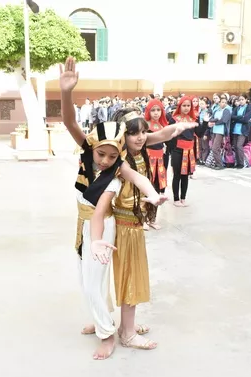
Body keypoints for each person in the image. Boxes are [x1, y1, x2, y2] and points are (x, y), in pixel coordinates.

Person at [59, 57, 190, 360]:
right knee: (89, 281)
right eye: (100, 153)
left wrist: (154, 196)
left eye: (111, 154)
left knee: (101, 280)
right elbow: (70, 123)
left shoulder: (120, 163)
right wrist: (66, 93)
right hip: (89, 223)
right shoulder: (95, 151)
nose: (105, 159)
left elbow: (140, 175)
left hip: (111, 224)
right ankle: (104, 321)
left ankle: (113, 332)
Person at [91, 108, 161, 354]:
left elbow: (161, 136)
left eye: (144, 132)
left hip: (133, 225)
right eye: (133, 133)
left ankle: (126, 326)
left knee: (132, 276)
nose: (140, 137)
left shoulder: (137, 156)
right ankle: (128, 334)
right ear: (123, 136)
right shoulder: (120, 163)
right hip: (125, 227)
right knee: (130, 278)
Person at [168, 96, 204, 206]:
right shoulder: (174, 119)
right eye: (184, 105)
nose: (186, 108)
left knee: (185, 175)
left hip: (189, 151)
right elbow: (169, 135)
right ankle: (176, 199)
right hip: (177, 150)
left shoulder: (194, 119)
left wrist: (205, 123)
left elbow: (199, 134)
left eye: (188, 105)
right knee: (177, 175)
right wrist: (170, 149)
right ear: (180, 106)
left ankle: (183, 198)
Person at [144, 98, 168, 230]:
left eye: (158, 110)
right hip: (148, 160)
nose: (156, 112)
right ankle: (142, 219)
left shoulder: (163, 126)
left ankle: (152, 219)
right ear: (148, 111)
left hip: (160, 162)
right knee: (145, 190)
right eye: (153, 110)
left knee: (156, 190)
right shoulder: (144, 126)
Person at [231, 93, 251, 169]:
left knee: (239, 146)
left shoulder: (249, 108)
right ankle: (237, 162)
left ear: (246, 100)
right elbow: (232, 117)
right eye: (239, 100)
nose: (241, 101)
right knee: (235, 146)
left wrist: (237, 119)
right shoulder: (237, 108)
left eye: (242, 99)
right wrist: (240, 117)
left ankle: (241, 163)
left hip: (243, 130)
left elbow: (246, 119)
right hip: (235, 130)